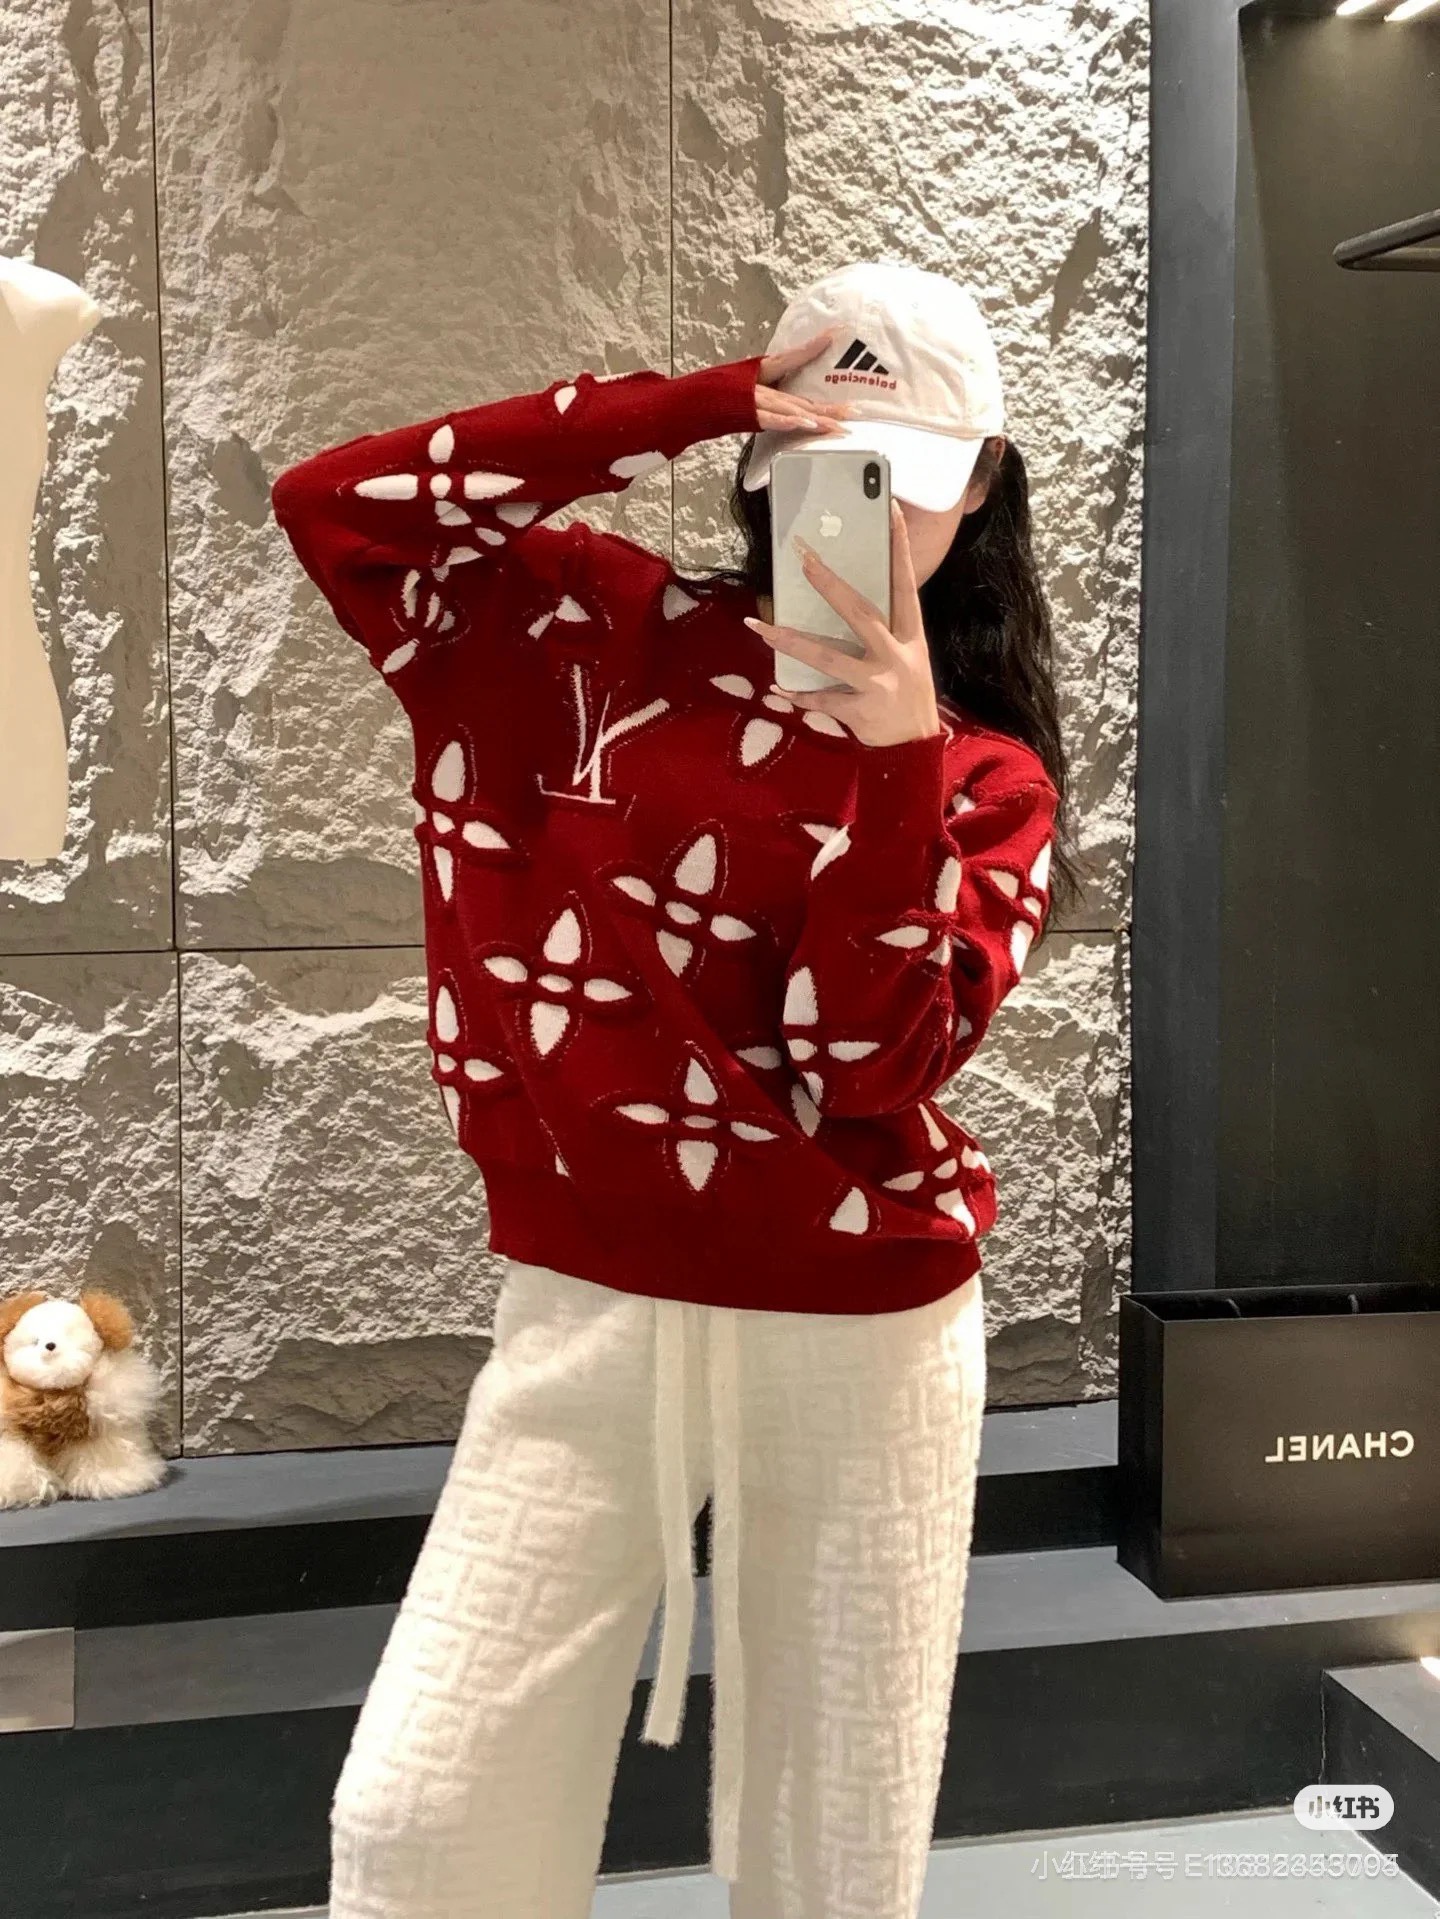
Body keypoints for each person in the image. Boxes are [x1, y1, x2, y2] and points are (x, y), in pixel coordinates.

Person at [270, 258, 1078, 1919]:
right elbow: (338, 506)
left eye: (904, 482)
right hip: (589, 1302)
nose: (855, 516)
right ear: (760, 452)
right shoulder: (580, 632)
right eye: (817, 464)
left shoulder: (984, 776)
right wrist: (686, 405)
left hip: (866, 1323)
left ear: (982, 481)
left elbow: (869, 1064)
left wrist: (895, 763)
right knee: (422, 1823)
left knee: (834, 1854)